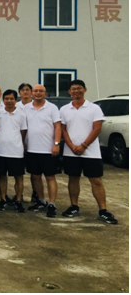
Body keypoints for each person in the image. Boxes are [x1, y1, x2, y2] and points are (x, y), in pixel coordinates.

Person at [60, 80, 117, 224]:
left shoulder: (94, 108)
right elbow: (62, 129)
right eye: (73, 89)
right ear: (69, 91)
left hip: (91, 152)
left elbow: (97, 129)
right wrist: (71, 145)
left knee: (96, 180)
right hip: (71, 151)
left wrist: (84, 145)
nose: (76, 91)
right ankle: (74, 206)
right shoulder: (64, 109)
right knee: (73, 178)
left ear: (85, 90)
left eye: (79, 88)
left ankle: (103, 210)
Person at [23, 84, 61, 217]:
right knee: (35, 176)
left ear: (45, 93)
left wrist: (56, 144)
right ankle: (41, 201)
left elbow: (58, 127)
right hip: (31, 149)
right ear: (31, 93)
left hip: (48, 149)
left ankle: (52, 204)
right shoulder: (26, 108)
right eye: (35, 91)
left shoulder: (52, 108)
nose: (38, 93)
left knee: (50, 177)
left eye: (41, 91)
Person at [0, 90, 27, 213]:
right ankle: (3, 199)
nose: (9, 101)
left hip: (16, 151)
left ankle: (18, 200)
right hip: (0, 150)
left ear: (15, 100)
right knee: (2, 176)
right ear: (3, 100)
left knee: (18, 177)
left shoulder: (21, 114)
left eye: (11, 99)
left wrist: (19, 143)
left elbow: (23, 132)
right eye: (6, 99)